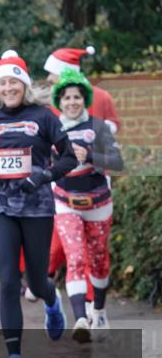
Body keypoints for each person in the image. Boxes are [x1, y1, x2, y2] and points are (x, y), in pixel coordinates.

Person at [0, 50, 78, 358]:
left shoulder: (44, 116)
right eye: (2, 82)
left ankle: (51, 299)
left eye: (13, 81)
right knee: (7, 281)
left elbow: (69, 159)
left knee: (35, 280)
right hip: (2, 206)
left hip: (37, 206)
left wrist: (43, 176)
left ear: (24, 84)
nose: (7, 87)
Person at [43, 46, 122, 310]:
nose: (48, 79)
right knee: (72, 249)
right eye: (66, 98)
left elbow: (112, 134)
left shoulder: (99, 99)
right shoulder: (53, 104)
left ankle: (92, 303)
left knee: (93, 253)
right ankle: (78, 306)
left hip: (97, 187)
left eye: (51, 74)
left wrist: (89, 151)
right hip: (63, 191)